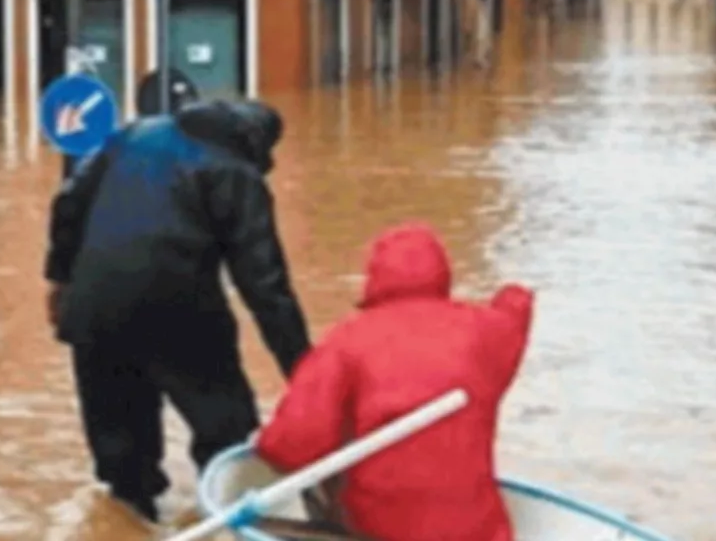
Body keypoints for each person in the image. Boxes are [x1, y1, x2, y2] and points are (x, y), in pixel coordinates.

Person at [44, 100, 312, 523]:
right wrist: (305, 372)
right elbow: (265, 285)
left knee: (120, 450)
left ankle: (127, 520)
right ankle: (222, 515)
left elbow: (69, 202)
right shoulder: (236, 173)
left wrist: (59, 280)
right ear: (258, 143)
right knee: (225, 429)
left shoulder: (133, 134)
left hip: (93, 307)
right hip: (181, 313)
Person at [256, 223, 534, 541]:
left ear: (374, 279)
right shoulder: (486, 332)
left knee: (324, 462)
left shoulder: (346, 340)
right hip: (479, 530)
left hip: (381, 529)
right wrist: (513, 295)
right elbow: (516, 311)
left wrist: (263, 446)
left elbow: (293, 445)